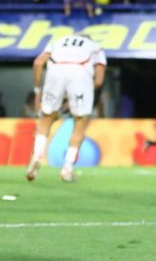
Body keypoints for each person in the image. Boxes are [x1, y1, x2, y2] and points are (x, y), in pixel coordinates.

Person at [26, 33, 107, 182]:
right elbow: (99, 80)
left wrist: (37, 91)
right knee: (80, 122)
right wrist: (83, 93)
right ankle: (67, 169)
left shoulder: (58, 41)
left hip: (55, 72)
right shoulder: (95, 47)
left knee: (46, 118)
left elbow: (38, 62)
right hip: (80, 74)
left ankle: (36, 157)